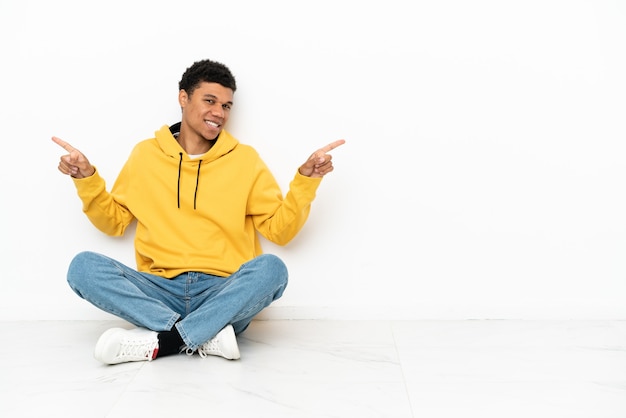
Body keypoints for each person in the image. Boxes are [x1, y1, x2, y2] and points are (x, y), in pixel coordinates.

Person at [52, 59, 345, 365]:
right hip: (159, 289)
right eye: (210, 100)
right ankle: (206, 335)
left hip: (222, 291)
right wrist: (85, 179)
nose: (219, 112)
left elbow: (280, 232)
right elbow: (113, 223)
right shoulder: (145, 155)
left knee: (272, 270)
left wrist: (307, 180)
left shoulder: (244, 160)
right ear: (183, 98)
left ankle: (167, 341)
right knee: (82, 268)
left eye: (227, 106)